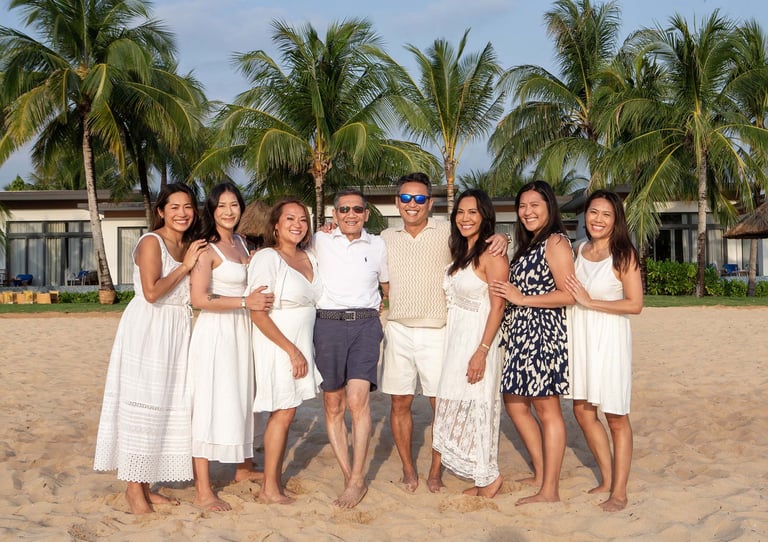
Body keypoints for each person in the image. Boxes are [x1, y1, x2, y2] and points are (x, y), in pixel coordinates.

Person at [380, 172, 509, 493]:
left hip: (438, 332)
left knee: (444, 404)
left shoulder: (447, 233)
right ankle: (409, 470)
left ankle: (436, 471)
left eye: (419, 198)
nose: (412, 204)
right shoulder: (383, 238)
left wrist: (503, 237)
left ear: (430, 203)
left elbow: (480, 245)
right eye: (406, 198)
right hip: (397, 330)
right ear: (397, 202)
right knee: (399, 403)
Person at [94, 183, 207, 514]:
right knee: (143, 405)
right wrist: (185, 266)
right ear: (161, 211)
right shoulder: (150, 242)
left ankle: (145, 485)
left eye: (188, 207)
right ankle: (133, 490)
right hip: (148, 330)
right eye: (174, 207)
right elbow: (152, 292)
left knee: (166, 405)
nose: (182, 213)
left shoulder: (188, 244)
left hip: (177, 331)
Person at [188, 182, 274, 512]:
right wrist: (244, 301)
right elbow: (199, 298)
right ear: (211, 210)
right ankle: (203, 489)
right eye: (221, 205)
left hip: (242, 331)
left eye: (234, 205)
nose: (228, 211)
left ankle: (243, 467)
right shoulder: (205, 248)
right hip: (217, 332)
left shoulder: (241, 242)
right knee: (210, 402)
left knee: (242, 398)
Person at [490, 180, 575, 506]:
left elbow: (568, 294)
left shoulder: (556, 241)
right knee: (514, 402)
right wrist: (506, 237)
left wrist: (523, 298)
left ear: (549, 206)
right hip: (521, 334)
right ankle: (541, 473)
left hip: (542, 332)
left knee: (547, 409)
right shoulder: (532, 243)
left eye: (535, 205)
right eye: (523, 206)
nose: (527, 212)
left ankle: (550, 489)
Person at [564, 189, 642, 512]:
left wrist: (590, 301)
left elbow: (635, 304)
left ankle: (619, 493)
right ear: (585, 215)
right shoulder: (577, 249)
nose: (598, 219)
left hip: (609, 340)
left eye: (606, 214)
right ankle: (607, 478)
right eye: (593, 212)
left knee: (616, 416)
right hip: (580, 337)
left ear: (615, 220)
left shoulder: (623, 254)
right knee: (582, 411)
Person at [312, 188, 388, 508]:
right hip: (327, 324)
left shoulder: (378, 244)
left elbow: (388, 286)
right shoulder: (319, 239)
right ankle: (349, 475)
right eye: (344, 209)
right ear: (335, 214)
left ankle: (357, 480)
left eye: (357, 209)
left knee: (357, 400)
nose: (351, 215)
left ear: (366, 214)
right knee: (333, 405)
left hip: (365, 324)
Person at [432, 189, 508, 498]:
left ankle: (489, 477)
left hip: (479, 340)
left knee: (479, 404)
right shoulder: (462, 251)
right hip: (456, 340)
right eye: (460, 212)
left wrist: (482, 351)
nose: (465, 218)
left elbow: (498, 306)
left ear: (484, 216)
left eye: (472, 212)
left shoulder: (493, 254)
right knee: (455, 402)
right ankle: (480, 474)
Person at [246, 198, 323, 504]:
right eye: (289, 218)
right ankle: (269, 488)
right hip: (278, 344)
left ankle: (274, 482)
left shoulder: (309, 256)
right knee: (283, 412)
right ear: (275, 225)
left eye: (302, 219)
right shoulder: (268, 258)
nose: (297, 224)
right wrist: (291, 350)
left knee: (288, 412)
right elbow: (258, 313)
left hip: (301, 342)